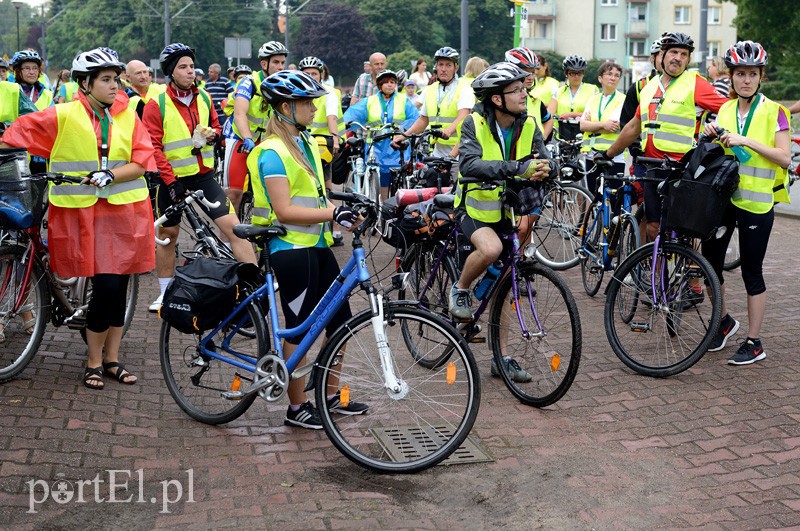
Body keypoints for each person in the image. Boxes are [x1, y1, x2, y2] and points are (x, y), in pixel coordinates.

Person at [0, 48, 156, 389]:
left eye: (116, 79)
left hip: (124, 211)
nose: (115, 86)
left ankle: (112, 359)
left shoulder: (128, 114)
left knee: (118, 287)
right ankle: (94, 361)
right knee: (106, 287)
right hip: (83, 214)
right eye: (106, 80)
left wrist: (110, 176)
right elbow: (18, 133)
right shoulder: (63, 114)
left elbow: (141, 160)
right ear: (85, 84)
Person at [245, 70, 366, 429]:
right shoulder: (271, 152)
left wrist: (349, 204)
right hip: (288, 248)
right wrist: (333, 212)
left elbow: (319, 195)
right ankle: (296, 408)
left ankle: (329, 398)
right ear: (286, 107)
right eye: (307, 103)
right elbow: (284, 209)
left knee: (341, 321)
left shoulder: (307, 141)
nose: (314, 108)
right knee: (299, 329)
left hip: (316, 242)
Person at [449, 62, 556, 380]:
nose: (525, 93)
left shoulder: (529, 124)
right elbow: (469, 165)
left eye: (524, 88)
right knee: (491, 248)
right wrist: (517, 168)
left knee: (505, 287)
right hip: (474, 209)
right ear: (497, 98)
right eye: (517, 90)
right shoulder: (474, 124)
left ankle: (501, 357)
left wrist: (549, 168)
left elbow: (542, 157)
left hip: (507, 211)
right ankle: (461, 287)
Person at [142, 43, 256, 312]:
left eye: (192, 66)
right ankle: (164, 292)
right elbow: (153, 146)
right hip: (171, 180)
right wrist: (171, 181)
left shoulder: (203, 97)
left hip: (204, 176)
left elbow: (216, 124)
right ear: (171, 71)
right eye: (183, 67)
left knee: (235, 228)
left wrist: (214, 134)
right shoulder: (156, 103)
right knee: (169, 234)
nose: (190, 71)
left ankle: (254, 285)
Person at [700, 41, 791, 365]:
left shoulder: (774, 111)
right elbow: (723, 153)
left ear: (760, 76)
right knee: (709, 262)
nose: (746, 80)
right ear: (732, 76)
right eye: (740, 74)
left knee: (752, 272)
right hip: (726, 200)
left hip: (757, 204)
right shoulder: (724, 109)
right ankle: (723, 322)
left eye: (752, 74)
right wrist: (711, 133)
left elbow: (783, 158)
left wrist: (746, 140)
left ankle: (754, 341)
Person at [603, 32, 728, 241]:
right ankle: (656, 273)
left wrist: (717, 128)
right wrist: (608, 153)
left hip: (683, 168)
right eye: (673, 52)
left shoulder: (695, 83)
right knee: (653, 226)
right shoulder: (649, 87)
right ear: (662, 55)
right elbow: (634, 127)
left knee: (684, 229)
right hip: (653, 166)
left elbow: (728, 109)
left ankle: (687, 271)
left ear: (688, 59)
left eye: (684, 54)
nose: (678, 57)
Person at [223, 41, 289, 216]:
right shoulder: (248, 83)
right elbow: (239, 114)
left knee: (271, 191)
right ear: (264, 64)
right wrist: (247, 138)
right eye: (276, 62)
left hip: (265, 140)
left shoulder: (282, 84)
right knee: (233, 195)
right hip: (240, 138)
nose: (280, 67)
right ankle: (227, 242)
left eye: (283, 62)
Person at [393, 47, 475, 174]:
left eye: (448, 65)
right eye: (440, 64)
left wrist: (449, 130)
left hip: (460, 151)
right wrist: (403, 136)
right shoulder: (430, 89)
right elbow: (423, 120)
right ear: (436, 66)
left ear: (456, 68)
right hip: (437, 151)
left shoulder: (464, 88)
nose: (443, 69)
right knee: (429, 184)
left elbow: (464, 115)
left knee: (453, 190)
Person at [343, 69, 419, 199]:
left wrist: (403, 129)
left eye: (392, 82)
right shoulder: (369, 101)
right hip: (376, 145)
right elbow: (352, 115)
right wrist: (341, 129)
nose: (389, 85)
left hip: (396, 144)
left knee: (399, 176)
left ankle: (396, 202)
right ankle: (380, 204)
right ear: (379, 86)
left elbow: (415, 118)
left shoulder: (403, 100)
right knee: (378, 177)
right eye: (386, 82)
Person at [299, 55, 346, 244]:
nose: (311, 77)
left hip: (322, 147)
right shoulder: (297, 91)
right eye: (307, 74)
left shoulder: (329, 92)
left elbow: (331, 117)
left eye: (314, 74)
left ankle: (335, 228)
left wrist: (335, 138)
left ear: (321, 75)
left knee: (326, 187)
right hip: (300, 143)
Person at [580, 61, 626, 195]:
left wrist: (592, 125)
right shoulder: (592, 99)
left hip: (614, 155)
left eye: (617, 75)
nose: (613, 78)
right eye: (609, 74)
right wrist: (603, 124)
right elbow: (582, 125)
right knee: (593, 196)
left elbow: (613, 126)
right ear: (600, 78)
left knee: (615, 197)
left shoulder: (623, 99)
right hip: (592, 154)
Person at [505, 47, 554, 138]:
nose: (531, 77)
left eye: (532, 72)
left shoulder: (534, 99)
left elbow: (548, 120)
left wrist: (543, 138)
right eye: (525, 72)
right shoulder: (500, 99)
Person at [555, 55, 598, 122]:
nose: (576, 76)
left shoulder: (593, 90)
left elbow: (596, 113)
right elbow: (550, 112)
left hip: (584, 130)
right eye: (572, 73)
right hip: (561, 130)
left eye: (579, 73)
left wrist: (572, 115)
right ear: (566, 74)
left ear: (583, 74)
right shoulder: (559, 91)